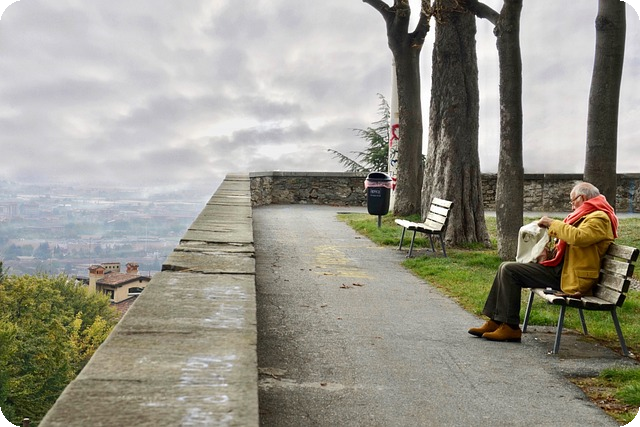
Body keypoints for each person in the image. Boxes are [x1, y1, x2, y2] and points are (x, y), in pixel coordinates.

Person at [468, 181, 618, 342]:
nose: (572, 206)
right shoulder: (588, 215)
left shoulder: (600, 217)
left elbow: (579, 237)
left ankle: (511, 328)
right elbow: (573, 244)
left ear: (582, 198)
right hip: (563, 270)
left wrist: (552, 223)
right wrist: (550, 252)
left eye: (572, 201)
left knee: (510, 271)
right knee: (505, 267)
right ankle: (496, 321)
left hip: (571, 277)